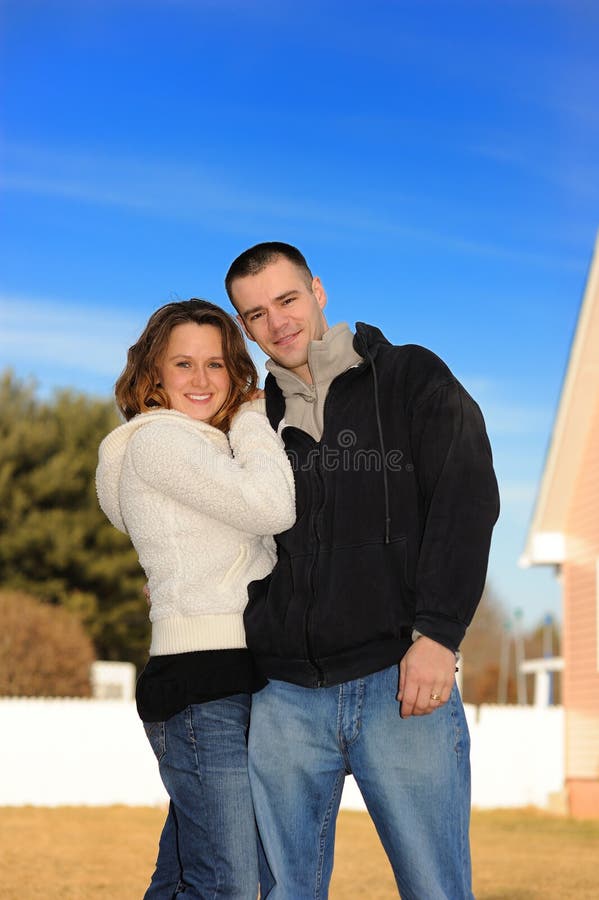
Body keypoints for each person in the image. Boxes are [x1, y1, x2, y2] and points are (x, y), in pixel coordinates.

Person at [225, 242, 500, 899]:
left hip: (399, 686)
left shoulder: (410, 377)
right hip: (283, 697)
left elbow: (464, 500)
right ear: (245, 327)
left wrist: (437, 634)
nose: (278, 321)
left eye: (287, 299)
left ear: (317, 292)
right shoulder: (249, 419)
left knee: (434, 890)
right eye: (255, 313)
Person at [95, 299, 295, 899]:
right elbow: (274, 508)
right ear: (153, 374)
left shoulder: (202, 452)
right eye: (183, 364)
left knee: (186, 876)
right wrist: (254, 420)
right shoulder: (161, 445)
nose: (202, 381)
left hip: (235, 675)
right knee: (230, 884)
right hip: (199, 684)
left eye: (217, 364)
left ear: (234, 370)